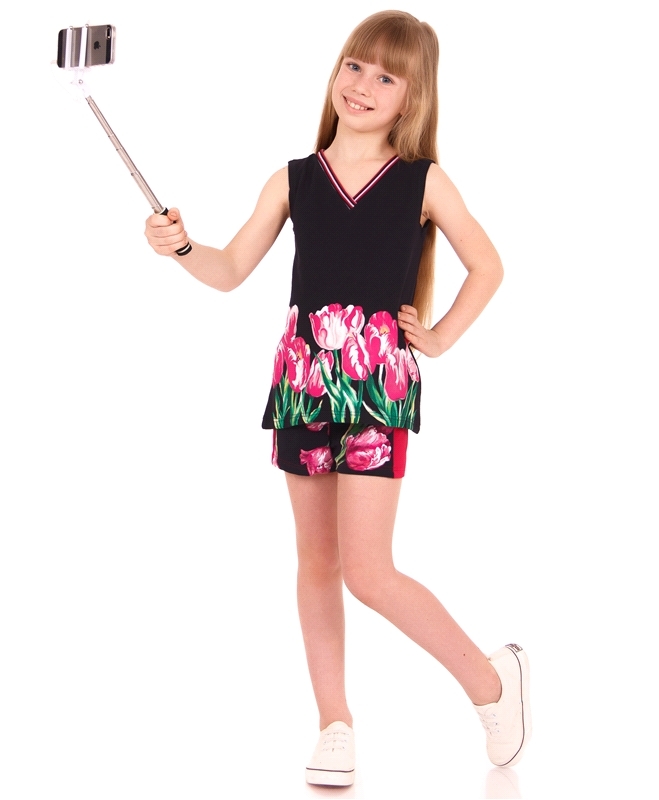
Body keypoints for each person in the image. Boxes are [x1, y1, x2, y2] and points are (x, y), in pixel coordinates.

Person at [144, 10, 531, 787]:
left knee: (368, 571)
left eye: (386, 77)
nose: (362, 85)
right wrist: (181, 246)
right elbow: (229, 270)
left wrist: (440, 337)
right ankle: (334, 723)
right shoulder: (291, 179)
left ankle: (490, 681)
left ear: (412, 97)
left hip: (376, 385)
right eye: (355, 66)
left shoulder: (422, 181)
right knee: (316, 561)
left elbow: (487, 265)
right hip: (302, 381)